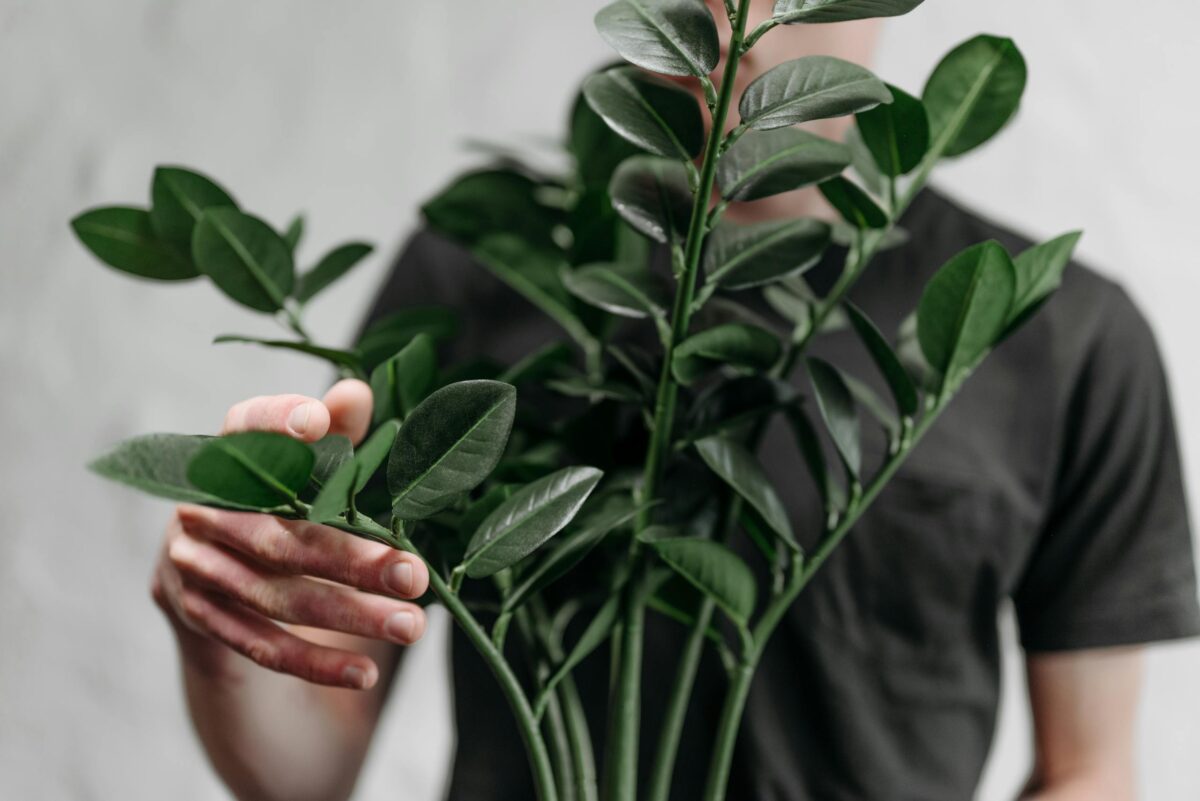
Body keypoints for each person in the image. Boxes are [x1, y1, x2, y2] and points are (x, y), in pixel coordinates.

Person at [149, 2, 1200, 799]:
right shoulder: (486, 274)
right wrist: (225, 637)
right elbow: (305, 772)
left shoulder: (1057, 334)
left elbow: (1093, 771)